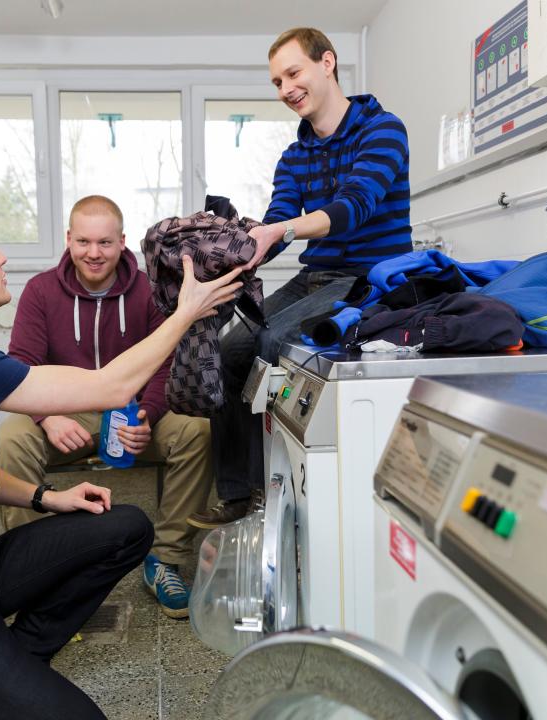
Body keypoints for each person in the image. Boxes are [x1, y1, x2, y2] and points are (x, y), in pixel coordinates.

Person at [0, 202, 241, 720]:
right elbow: (110, 387)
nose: (2, 257)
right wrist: (185, 312)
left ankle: (11, 665)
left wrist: (47, 497)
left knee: (123, 527)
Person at [188, 27, 412, 529]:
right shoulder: (295, 156)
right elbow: (279, 219)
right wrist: (229, 244)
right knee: (228, 352)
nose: (286, 88)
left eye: (293, 73)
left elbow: (352, 208)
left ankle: (279, 490)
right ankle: (239, 495)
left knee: (272, 340)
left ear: (327, 63)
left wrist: (278, 230)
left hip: (372, 279)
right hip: (318, 276)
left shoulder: (383, 130)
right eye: (276, 82)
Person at [0, 195, 213, 619]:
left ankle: (165, 559)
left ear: (123, 242)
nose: (93, 253)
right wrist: (47, 416)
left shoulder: (150, 290)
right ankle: (31, 570)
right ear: (68, 240)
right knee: (10, 439)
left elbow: (165, 362)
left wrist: (149, 414)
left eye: (104, 242)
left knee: (197, 431)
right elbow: (22, 365)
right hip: (65, 412)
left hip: (130, 410)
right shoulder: (40, 291)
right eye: (83, 241)